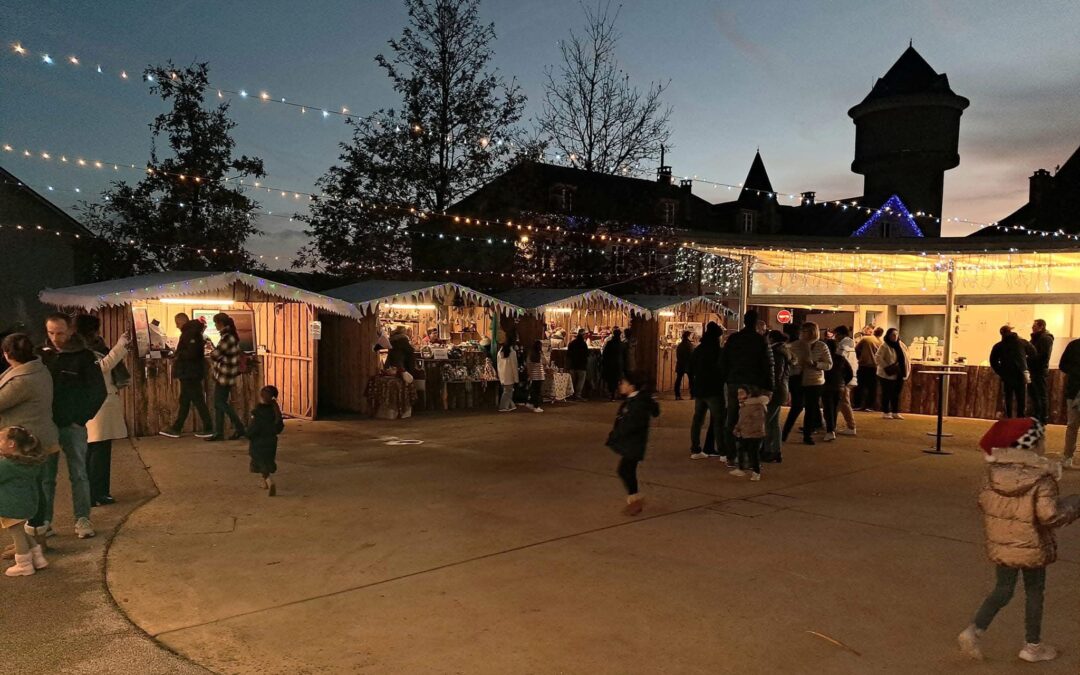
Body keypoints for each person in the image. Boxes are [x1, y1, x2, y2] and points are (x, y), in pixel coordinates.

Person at [958, 418, 1080, 663]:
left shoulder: (992, 475)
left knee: (1003, 589)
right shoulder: (1042, 479)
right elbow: (1049, 515)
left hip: (1003, 543)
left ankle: (974, 630)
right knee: (1035, 591)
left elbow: (983, 502)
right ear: (1032, 446)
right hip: (1032, 546)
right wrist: (1075, 504)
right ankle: (1032, 646)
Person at [38, 313, 106, 539]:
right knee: (46, 476)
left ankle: (82, 519)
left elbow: (98, 391)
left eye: (60, 332)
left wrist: (81, 418)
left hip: (72, 425)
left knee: (79, 473)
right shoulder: (41, 355)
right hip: (46, 426)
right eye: (51, 332)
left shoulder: (85, 357)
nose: (55, 337)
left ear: (70, 331)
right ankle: (45, 521)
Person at [0, 333, 59, 560]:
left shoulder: (23, 380)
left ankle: (34, 542)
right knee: (34, 490)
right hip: (40, 437)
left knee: (29, 492)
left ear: (7, 354)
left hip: (28, 443)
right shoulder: (37, 370)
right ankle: (28, 542)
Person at [76, 315, 129, 507]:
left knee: (98, 450)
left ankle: (98, 492)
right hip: (99, 403)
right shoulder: (84, 349)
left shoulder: (90, 346)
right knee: (98, 451)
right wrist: (120, 346)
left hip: (101, 402)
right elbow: (103, 367)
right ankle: (96, 494)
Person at [721, 310, 774, 465]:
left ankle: (731, 455)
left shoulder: (734, 339)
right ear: (756, 322)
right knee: (752, 420)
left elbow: (723, 361)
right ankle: (750, 457)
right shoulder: (760, 341)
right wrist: (769, 386)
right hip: (753, 384)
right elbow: (768, 365)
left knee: (731, 418)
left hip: (734, 382)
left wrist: (728, 378)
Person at [605, 371, 659, 516]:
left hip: (634, 443)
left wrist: (616, 435)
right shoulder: (633, 400)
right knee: (626, 470)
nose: (620, 385)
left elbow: (631, 424)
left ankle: (635, 499)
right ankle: (635, 499)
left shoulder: (638, 403)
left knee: (624, 470)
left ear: (632, 386)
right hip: (631, 443)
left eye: (623, 383)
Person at [1, 426, 50, 577]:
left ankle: (24, 564)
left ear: (11, 444)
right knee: (22, 531)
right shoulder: (29, 462)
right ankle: (38, 558)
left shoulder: (7, 465)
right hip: (27, 504)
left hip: (11, 505)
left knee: (17, 534)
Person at [160, 313, 214, 439]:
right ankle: (177, 428)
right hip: (190, 372)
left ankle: (208, 427)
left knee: (197, 400)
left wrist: (178, 354)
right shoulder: (193, 331)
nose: (176, 325)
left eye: (177, 323)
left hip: (190, 372)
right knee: (186, 400)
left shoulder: (190, 333)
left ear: (182, 321)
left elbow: (192, 353)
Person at [782, 323, 832, 445]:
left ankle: (807, 435)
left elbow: (829, 364)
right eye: (803, 331)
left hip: (815, 381)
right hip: (798, 379)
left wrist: (815, 364)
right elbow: (788, 360)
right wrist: (795, 364)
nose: (804, 333)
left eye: (807, 331)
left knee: (810, 408)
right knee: (796, 407)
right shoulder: (795, 345)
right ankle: (783, 434)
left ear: (813, 332)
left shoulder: (821, 346)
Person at [206, 313, 246, 442]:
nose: (215, 326)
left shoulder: (227, 337)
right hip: (226, 374)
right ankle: (219, 432)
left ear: (221, 323)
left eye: (216, 323)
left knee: (220, 403)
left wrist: (210, 350)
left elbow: (216, 355)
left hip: (225, 375)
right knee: (219, 404)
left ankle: (239, 428)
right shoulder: (230, 336)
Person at [689, 322, 725, 459]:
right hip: (714, 389)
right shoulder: (718, 351)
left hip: (699, 389)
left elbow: (691, 367)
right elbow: (722, 369)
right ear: (717, 337)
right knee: (718, 421)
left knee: (697, 420)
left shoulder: (698, 350)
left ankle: (695, 449)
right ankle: (722, 451)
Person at [247, 385, 284, 497]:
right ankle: (264, 482)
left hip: (258, 442)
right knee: (266, 461)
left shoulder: (258, 412)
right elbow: (279, 427)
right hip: (271, 441)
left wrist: (247, 434)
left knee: (260, 462)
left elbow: (254, 428)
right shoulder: (275, 411)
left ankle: (268, 480)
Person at [990, 325, 1031, 419]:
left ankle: (1009, 417)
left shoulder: (999, 345)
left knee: (1008, 397)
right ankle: (1021, 418)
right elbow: (1033, 353)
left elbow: (993, 361)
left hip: (1007, 374)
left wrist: (1001, 371)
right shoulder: (1022, 342)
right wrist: (1024, 364)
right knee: (1021, 398)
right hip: (1021, 373)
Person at [763, 330, 792, 463]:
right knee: (774, 423)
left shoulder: (777, 352)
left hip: (776, 391)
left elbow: (777, 374)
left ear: (772, 338)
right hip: (782, 390)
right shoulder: (784, 351)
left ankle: (768, 450)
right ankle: (776, 450)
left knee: (767, 421)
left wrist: (771, 390)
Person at [731, 386, 769, 481]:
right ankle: (741, 468)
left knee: (753, 453)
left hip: (754, 434)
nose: (739, 396)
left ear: (749, 394)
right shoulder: (748, 406)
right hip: (747, 433)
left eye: (741, 393)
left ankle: (756, 472)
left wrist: (737, 428)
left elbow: (743, 420)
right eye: (738, 393)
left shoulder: (751, 407)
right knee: (742, 450)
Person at [875, 328, 911, 420]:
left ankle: (895, 412)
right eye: (892, 335)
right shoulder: (885, 346)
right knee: (886, 393)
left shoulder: (901, 345)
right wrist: (887, 366)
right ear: (888, 335)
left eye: (896, 335)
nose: (895, 337)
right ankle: (886, 411)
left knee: (896, 393)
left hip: (899, 373)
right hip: (886, 373)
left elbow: (906, 357)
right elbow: (878, 358)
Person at [832, 326, 858, 436]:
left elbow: (840, 362)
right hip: (850, 377)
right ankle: (830, 424)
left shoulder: (843, 347)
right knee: (838, 402)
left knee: (844, 402)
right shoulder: (850, 345)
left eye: (836, 334)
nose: (835, 337)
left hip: (845, 378)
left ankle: (851, 426)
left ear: (841, 334)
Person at [1059, 337, 1080, 468]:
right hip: (1074, 390)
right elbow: (1063, 365)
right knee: (1072, 425)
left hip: (1073, 388)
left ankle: (1068, 457)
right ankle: (1067, 456)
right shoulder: (1074, 345)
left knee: (1072, 425)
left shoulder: (1073, 345)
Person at [1029, 319, 1054, 424]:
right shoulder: (1036, 339)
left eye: (1034, 326)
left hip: (1039, 371)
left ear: (1041, 326)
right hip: (1033, 370)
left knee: (1040, 394)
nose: (1032, 327)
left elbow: (1044, 356)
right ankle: (1037, 415)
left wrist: (1028, 359)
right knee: (1034, 394)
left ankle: (1043, 417)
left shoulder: (1045, 339)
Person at [820, 337, 843, 442]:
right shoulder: (840, 358)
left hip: (826, 385)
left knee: (828, 408)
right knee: (834, 408)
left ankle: (830, 430)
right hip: (838, 386)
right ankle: (832, 428)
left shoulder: (824, 359)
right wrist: (843, 382)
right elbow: (849, 372)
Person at [854, 326, 882, 411]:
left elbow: (856, 349)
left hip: (864, 365)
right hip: (875, 367)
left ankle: (858, 405)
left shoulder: (865, 339)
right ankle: (870, 406)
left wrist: (860, 358)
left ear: (874, 331)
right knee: (872, 387)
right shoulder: (881, 342)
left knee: (860, 386)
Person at [496, 334, 519, 412]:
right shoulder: (512, 353)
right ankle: (503, 407)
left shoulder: (500, 352)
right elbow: (514, 366)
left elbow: (498, 364)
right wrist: (516, 378)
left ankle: (511, 405)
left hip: (502, 374)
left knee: (507, 391)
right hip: (509, 375)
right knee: (507, 391)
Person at [602, 328, 625, 401]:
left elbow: (605, 354)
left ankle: (612, 394)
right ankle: (615, 394)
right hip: (619, 364)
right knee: (616, 380)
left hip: (610, 364)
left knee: (610, 380)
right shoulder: (622, 344)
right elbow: (624, 355)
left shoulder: (609, 343)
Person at [567, 329, 590, 401]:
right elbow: (586, 354)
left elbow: (568, 353)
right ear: (583, 335)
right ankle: (577, 395)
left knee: (572, 381)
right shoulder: (583, 344)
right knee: (580, 381)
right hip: (581, 365)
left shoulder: (572, 343)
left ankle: (570, 394)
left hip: (573, 364)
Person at [525, 340, 546, 413]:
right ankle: (536, 406)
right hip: (539, 375)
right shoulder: (540, 354)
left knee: (533, 390)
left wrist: (529, 374)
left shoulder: (530, 354)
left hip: (533, 375)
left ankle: (530, 403)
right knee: (537, 391)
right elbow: (545, 362)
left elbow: (528, 365)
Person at [674, 331, 694, 401]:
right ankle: (693, 395)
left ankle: (677, 395)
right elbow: (692, 355)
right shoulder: (690, 345)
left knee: (678, 380)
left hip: (680, 364)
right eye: (691, 335)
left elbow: (678, 355)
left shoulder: (680, 345)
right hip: (688, 364)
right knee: (691, 380)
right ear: (688, 336)